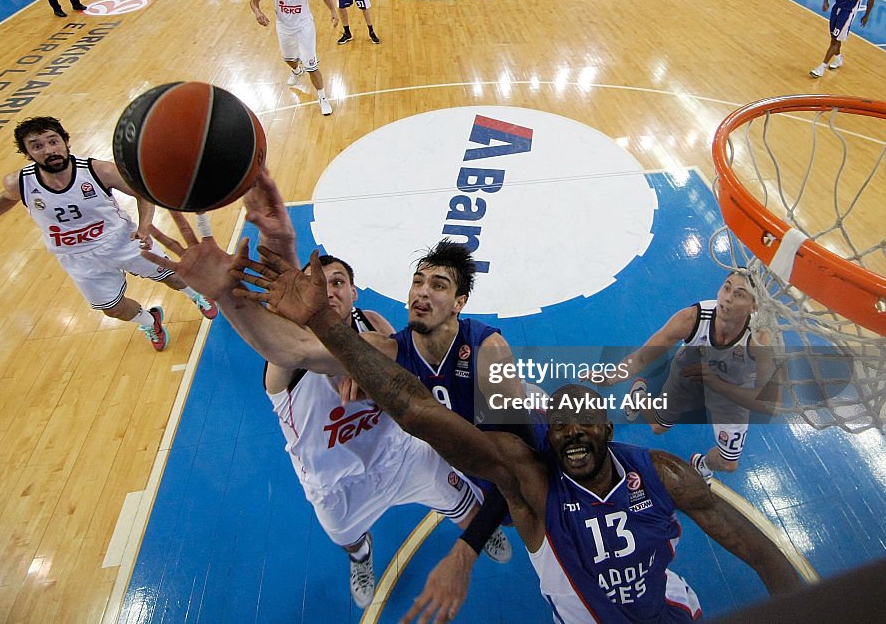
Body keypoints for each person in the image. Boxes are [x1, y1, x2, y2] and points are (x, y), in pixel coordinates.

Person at [229, 255, 806, 622]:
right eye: (416, 284)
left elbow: (512, 456)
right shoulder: (388, 345)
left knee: (505, 480)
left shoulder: (489, 356)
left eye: (437, 284)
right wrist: (224, 293)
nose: (421, 293)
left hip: (519, 449)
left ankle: (489, 518)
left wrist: (467, 548)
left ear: (459, 303)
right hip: (479, 454)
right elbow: (294, 352)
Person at [143, 178, 498, 610]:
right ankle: (362, 557)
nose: (329, 290)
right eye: (320, 282)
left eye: (338, 282)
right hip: (337, 483)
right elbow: (295, 342)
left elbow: (397, 371)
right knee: (351, 541)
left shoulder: (376, 328)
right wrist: (249, 268)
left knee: (471, 508)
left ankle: (482, 532)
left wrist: (375, 383)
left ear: (353, 292)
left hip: (402, 456)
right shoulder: (288, 365)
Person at [0, 116, 217, 352]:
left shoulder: (98, 171)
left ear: (66, 142)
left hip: (120, 242)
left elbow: (143, 194)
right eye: (37, 145)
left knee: (175, 276)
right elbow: (5, 199)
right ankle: (149, 319)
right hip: (77, 258)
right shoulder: (20, 182)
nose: (48, 149)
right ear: (27, 153)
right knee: (112, 309)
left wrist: (143, 226)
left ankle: (198, 296)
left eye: (53, 141)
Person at [600, 270, 777, 484]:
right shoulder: (692, 318)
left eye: (739, 294)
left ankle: (702, 465)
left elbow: (770, 402)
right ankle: (638, 396)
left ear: (753, 306)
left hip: (731, 391)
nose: (728, 297)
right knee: (658, 427)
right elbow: (642, 357)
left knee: (729, 464)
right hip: (688, 377)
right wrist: (611, 377)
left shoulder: (761, 339)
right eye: (726, 287)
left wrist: (720, 386)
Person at [250, 0, 338, 116]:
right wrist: (258, 12)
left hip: (304, 25)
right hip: (283, 26)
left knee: (312, 65)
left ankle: (322, 98)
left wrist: (333, 11)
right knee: (288, 59)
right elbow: (254, 1)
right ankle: (297, 71)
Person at [810, 0, 876, 77]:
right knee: (834, 38)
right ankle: (839, 58)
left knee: (834, 40)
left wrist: (866, 15)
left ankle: (821, 67)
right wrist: (825, 2)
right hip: (836, 9)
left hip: (848, 13)